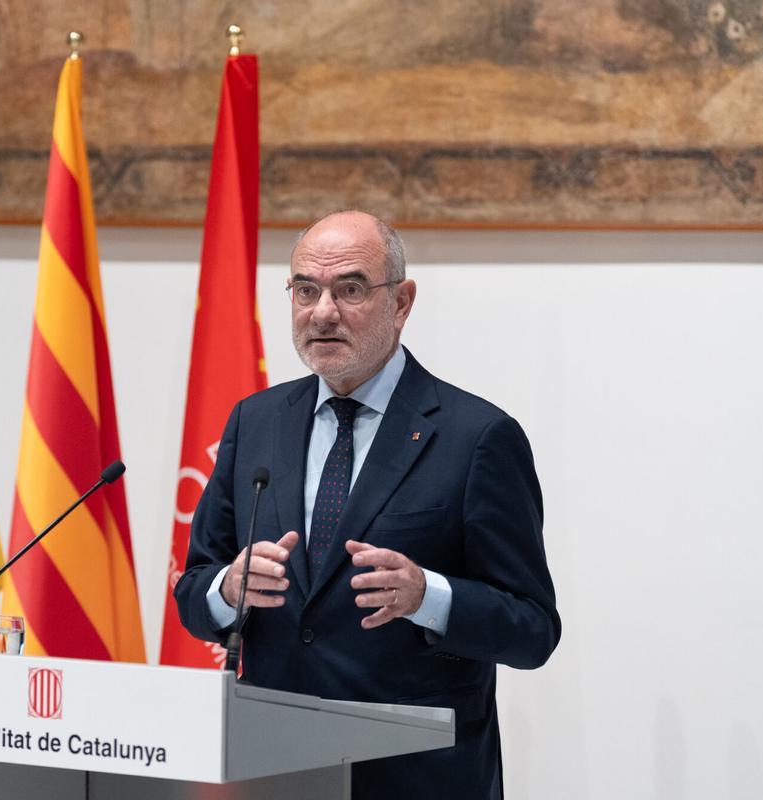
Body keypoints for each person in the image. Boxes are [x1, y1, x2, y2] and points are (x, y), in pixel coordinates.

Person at [173, 210, 560, 799]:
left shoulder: (476, 437)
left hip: (415, 776)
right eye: (305, 290)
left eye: (350, 288)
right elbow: (195, 591)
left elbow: (533, 630)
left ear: (401, 303)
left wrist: (428, 596)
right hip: (273, 768)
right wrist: (227, 589)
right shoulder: (256, 421)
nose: (322, 312)